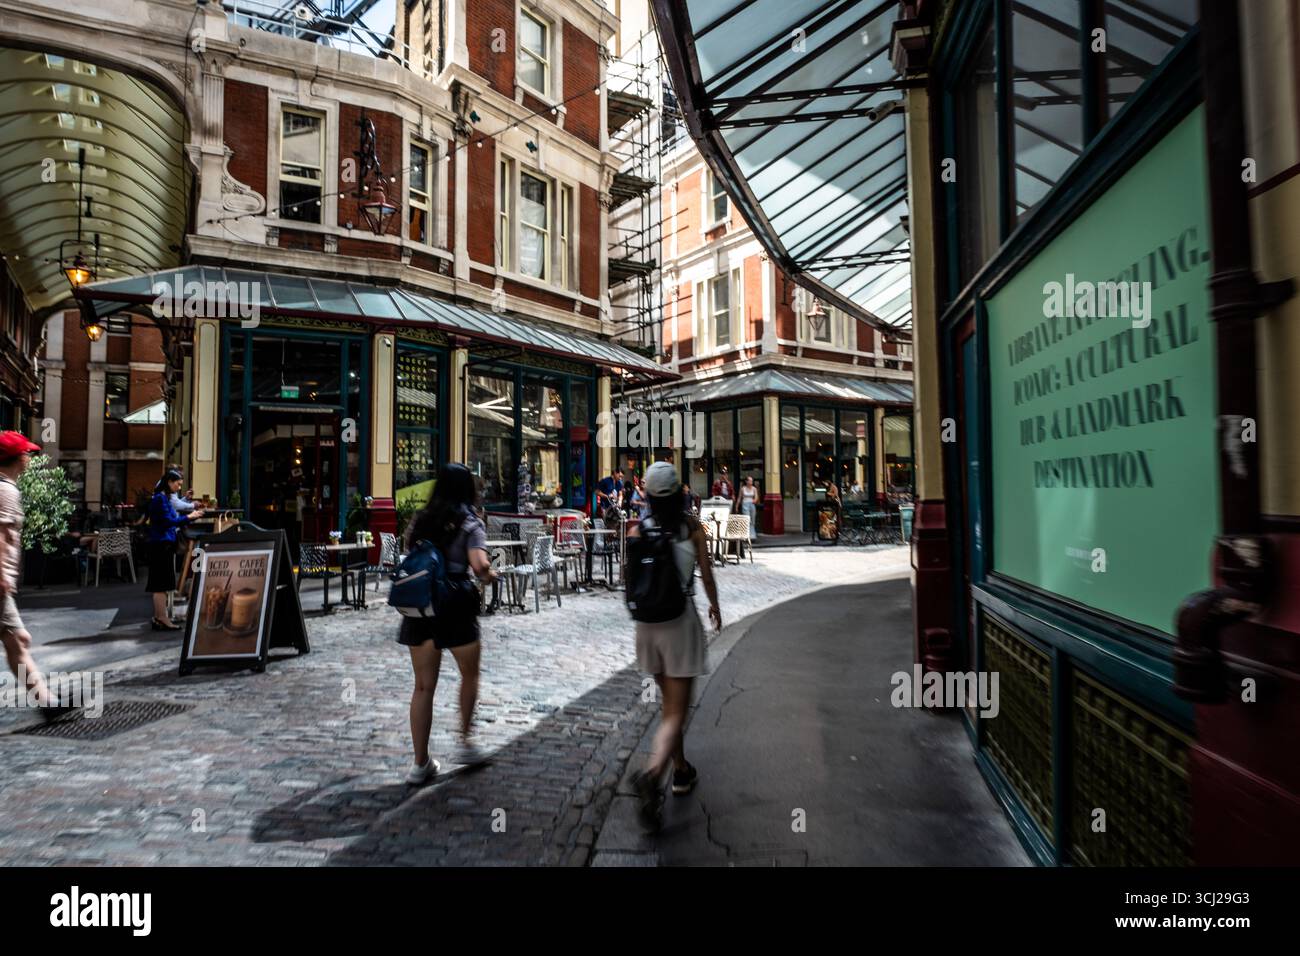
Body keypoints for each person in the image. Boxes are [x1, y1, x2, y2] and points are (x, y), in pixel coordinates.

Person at [629, 461, 722, 830]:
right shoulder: (693, 528)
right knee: (675, 713)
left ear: (648, 495)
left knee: (669, 705)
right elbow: (707, 574)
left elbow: (631, 580)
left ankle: (680, 771)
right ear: (680, 491)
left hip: (647, 626)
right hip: (680, 623)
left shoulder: (638, 530)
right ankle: (652, 775)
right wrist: (714, 606)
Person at [398, 462, 497, 784]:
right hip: (454, 603)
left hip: (421, 604)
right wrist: (492, 575)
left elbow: (407, 550)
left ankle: (420, 763)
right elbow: (480, 566)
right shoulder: (471, 522)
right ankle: (465, 741)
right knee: (469, 674)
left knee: (423, 686)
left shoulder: (420, 520)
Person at [0, 432, 56, 713]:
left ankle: (45, 702)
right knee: (17, 640)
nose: (30, 458)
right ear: (18, 457)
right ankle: (46, 703)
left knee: (17, 639)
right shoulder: (5, 491)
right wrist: (3, 575)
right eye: (28, 453)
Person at [146, 470, 204, 630]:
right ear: (169, 482)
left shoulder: (162, 498)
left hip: (160, 544)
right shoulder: (160, 499)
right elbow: (168, 522)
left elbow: (169, 520)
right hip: (161, 545)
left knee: (160, 584)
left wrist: (188, 516)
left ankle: (159, 617)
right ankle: (162, 618)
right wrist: (189, 517)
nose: (179, 487)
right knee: (161, 584)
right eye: (177, 484)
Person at [739, 476, 760, 541]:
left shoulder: (754, 489)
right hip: (745, 504)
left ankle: (752, 535)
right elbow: (739, 497)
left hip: (752, 504)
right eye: (750, 481)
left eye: (752, 481)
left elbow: (756, 497)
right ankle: (747, 535)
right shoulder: (743, 488)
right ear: (746, 481)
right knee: (747, 519)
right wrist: (737, 506)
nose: (751, 482)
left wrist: (755, 500)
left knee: (752, 520)